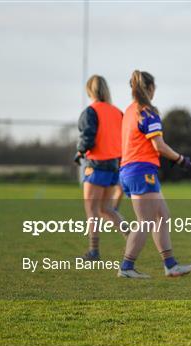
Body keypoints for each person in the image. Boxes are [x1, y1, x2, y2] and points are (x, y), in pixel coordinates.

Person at [117, 70, 191, 279]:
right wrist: (180, 159)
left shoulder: (129, 110)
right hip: (141, 171)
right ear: (150, 89)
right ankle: (126, 267)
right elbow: (158, 145)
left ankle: (170, 265)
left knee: (162, 216)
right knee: (146, 221)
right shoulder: (147, 111)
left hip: (129, 170)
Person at [75, 75, 127, 261]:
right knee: (107, 208)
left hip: (96, 164)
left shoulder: (91, 111)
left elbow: (87, 138)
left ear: (90, 90)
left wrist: (80, 151)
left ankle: (94, 251)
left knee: (92, 210)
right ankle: (130, 235)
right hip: (114, 165)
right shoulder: (118, 112)